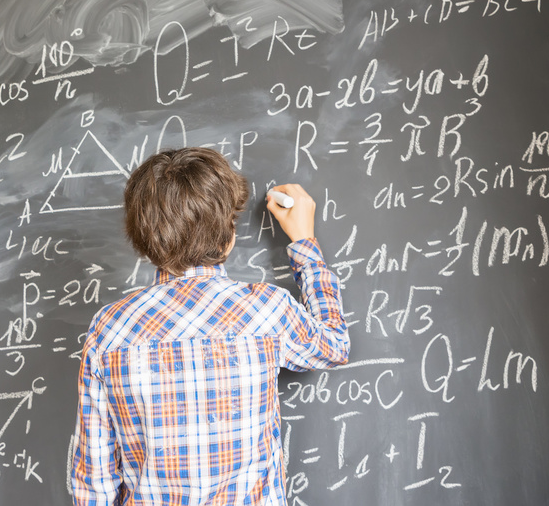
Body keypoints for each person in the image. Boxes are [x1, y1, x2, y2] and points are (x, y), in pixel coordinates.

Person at [70, 147, 351, 505]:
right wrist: (304, 243)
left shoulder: (109, 329)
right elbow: (334, 345)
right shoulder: (266, 310)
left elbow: (94, 481)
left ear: (142, 241)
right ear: (229, 236)